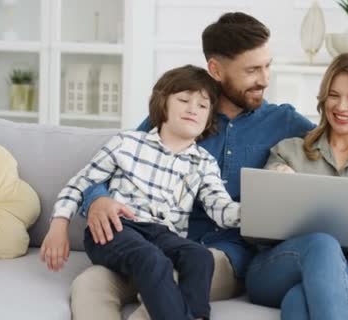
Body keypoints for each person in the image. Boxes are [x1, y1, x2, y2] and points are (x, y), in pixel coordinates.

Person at [69, 12, 315, 319]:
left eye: (267, 66)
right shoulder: (182, 114)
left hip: (223, 255)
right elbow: (120, 160)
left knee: (165, 293)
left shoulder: (285, 122)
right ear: (215, 69)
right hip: (156, 241)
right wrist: (97, 199)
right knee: (89, 284)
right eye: (252, 70)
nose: (265, 79)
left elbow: (342, 142)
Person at [41, 65, 241, 320]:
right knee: (152, 259)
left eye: (203, 105)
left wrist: (253, 211)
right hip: (117, 228)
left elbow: (220, 209)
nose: (193, 109)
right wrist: (58, 227)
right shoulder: (127, 143)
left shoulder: (204, 162)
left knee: (199, 256)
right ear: (162, 103)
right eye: (183, 100)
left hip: (162, 234)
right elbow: (80, 183)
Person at [244, 52, 348, 320]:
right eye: (334, 95)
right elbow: (252, 234)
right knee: (322, 244)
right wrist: (277, 184)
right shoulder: (288, 152)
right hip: (276, 267)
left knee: (298, 299)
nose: (341, 107)